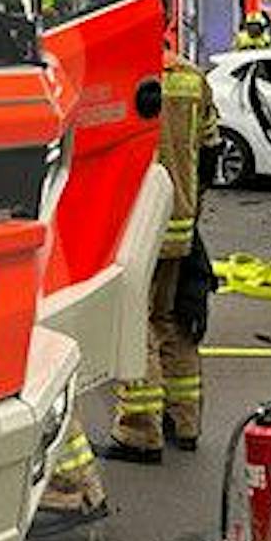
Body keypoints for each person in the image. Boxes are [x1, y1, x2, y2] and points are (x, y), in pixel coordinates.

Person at [104, 45, 222, 460]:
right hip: (180, 222)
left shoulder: (123, 76)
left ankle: (140, 432)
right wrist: (193, 204)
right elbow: (211, 148)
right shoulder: (193, 78)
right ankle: (184, 421)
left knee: (134, 325)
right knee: (172, 318)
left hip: (137, 224)